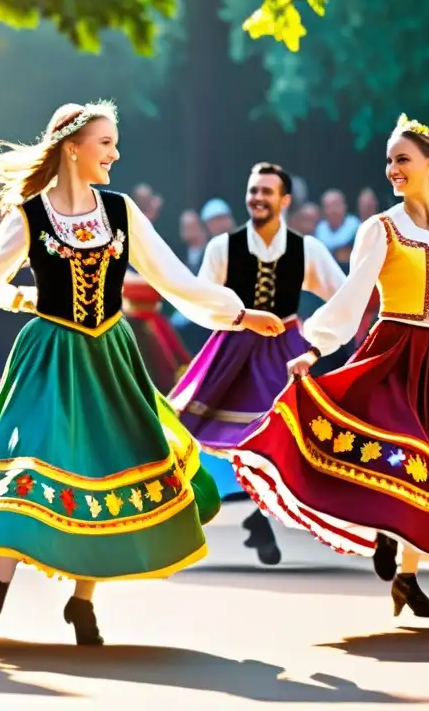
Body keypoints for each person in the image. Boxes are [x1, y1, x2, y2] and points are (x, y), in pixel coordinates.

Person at [0, 102, 284, 645]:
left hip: (109, 355)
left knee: (106, 468)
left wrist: (237, 313)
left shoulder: (122, 211)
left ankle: (82, 600)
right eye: (106, 143)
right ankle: (5, 565)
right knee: (33, 456)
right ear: (73, 148)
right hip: (48, 355)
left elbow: (172, 278)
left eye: (114, 143)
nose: (115, 153)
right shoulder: (30, 216)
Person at [232, 114, 429, 617]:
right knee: (414, 452)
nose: (392, 168)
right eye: (389, 160)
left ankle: (407, 577)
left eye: (403, 159)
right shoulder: (382, 228)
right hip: (395, 352)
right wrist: (316, 348)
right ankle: (387, 531)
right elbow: (351, 296)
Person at [169, 162, 346, 565]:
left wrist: (315, 335)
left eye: (266, 192)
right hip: (231, 348)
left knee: (280, 433)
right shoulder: (222, 247)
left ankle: (260, 516)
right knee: (196, 428)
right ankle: (194, 513)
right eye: (253, 191)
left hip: (284, 351)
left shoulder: (307, 249)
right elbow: (204, 302)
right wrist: (229, 323)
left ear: (284, 200)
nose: (258, 198)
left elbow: (343, 295)